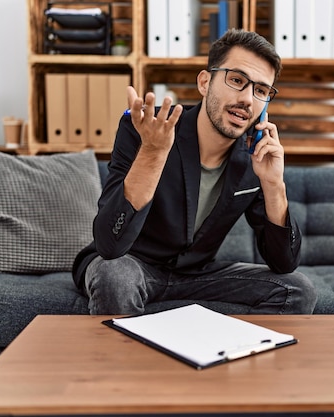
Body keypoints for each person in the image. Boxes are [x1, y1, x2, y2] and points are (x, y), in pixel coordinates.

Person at [72, 29, 317, 315]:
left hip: (196, 274)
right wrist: (152, 154)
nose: (248, 100)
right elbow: (110, 245)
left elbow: (284, 263)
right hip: (131, 263)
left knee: (297, 289)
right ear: (205, 82)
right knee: (115, 275)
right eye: (237, 80)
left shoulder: (255, 156)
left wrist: (274, 184)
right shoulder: (149, 131)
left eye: (261, 90)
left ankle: (233, 357)